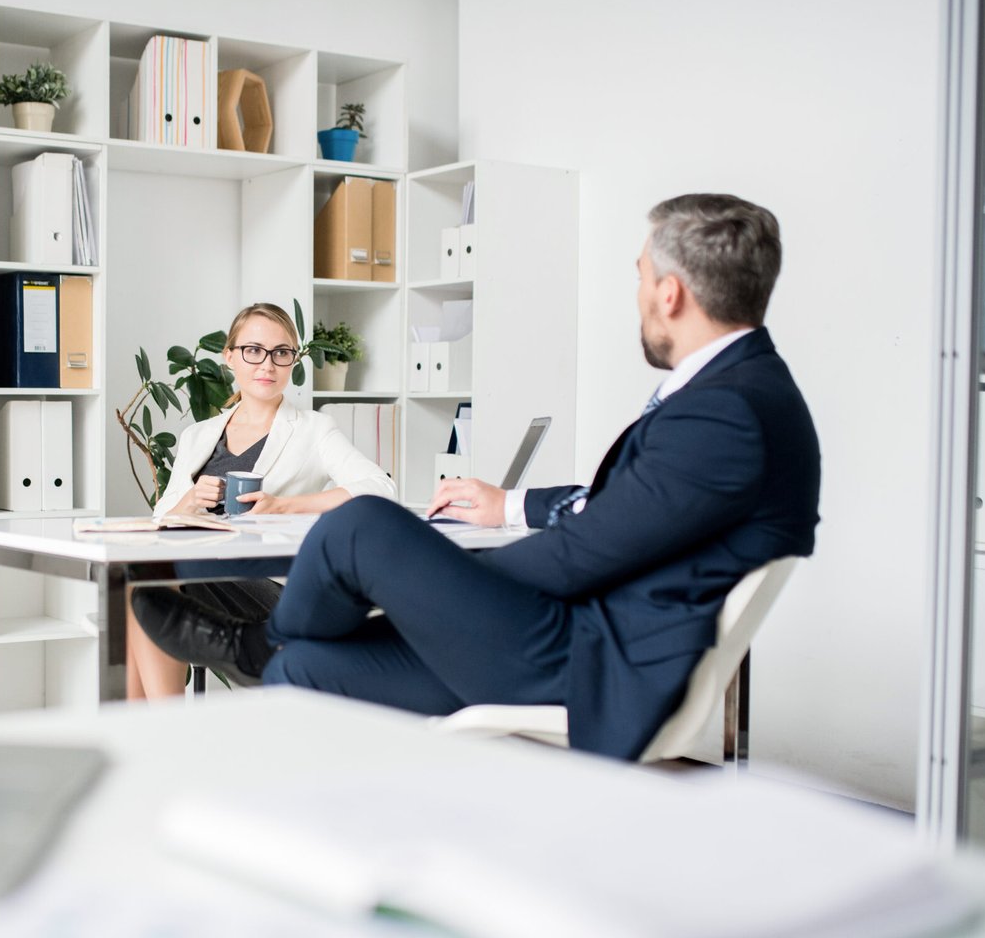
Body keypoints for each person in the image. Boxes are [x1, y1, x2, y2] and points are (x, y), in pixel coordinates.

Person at [133, 194, 822, 760]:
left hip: (577, 657)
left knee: (366, 527)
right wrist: (511, 505)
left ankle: (252, 640)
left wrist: (438, 586)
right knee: (301, 668)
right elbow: (628, 510)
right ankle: (274, 662)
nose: (637, 292)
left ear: (669, 293)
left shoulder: (726, 412)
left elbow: (585, 553)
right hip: (563, 639)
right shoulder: (738, 393)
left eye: (639, 276)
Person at [125, 302, 396, 701]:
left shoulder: (313, 429)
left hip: (271, 585)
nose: (267, 365)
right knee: (139, 576)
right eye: (253, 350)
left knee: (145, 580)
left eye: (281, 353)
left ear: (292, 362)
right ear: (230, 357)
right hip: (202, 576)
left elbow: (379, 487)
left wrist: (285, 506)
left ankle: (162, 728)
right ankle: (152, 727)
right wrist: (189, 500)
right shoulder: (198, 436)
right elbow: (161, 518)